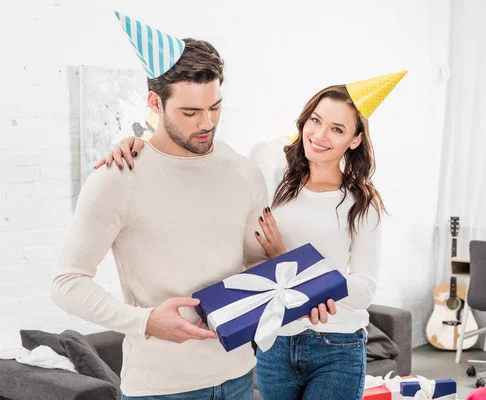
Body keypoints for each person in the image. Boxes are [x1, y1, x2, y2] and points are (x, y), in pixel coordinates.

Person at [99, 71, 406, 399]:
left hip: (337, 344)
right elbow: (204, 161)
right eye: (315, 120)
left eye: (338, 129)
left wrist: (290, 267)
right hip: (274, 342)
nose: (320, 134)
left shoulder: (361, 203)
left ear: (355, 139)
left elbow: (363, 289)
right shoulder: (271, 182)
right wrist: (139, 145)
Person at [52, 13, 268, 400]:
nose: (207, 123)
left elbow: (254, 265)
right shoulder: (117, 178)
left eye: (215, 107)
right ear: (155, 102)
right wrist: (145, 320)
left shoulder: (244, 172)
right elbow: (67, 282)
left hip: (239, 374)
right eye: (189, 113)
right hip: (162, 388)